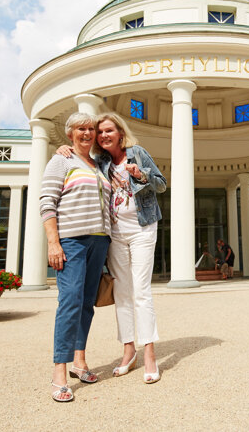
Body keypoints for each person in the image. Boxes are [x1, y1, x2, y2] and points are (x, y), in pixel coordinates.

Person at [61, 112, 167, 384]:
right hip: (115, 233)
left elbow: (161, 184)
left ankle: (149, 355)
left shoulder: (137, 153)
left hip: (143, 228)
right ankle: (128, 351)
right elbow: (79, 162)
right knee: (122, 293)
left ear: (120, 132)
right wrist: (66, 149)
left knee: (141, 292)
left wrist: (140, 175)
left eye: (109, 130)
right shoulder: (100, 162)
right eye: (100, 132)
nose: (104, 135)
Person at [40, 112, 111, 403]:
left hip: (99, 241)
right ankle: (60, 370)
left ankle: (79, 362)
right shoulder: (61, 160)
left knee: (86, 304)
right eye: (81, 128)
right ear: (70, 133)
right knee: (69, 301)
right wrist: (53, 243)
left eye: (91, 128)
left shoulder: (99, 165)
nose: (87, 133)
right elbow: (47, 201)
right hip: (71, 240)